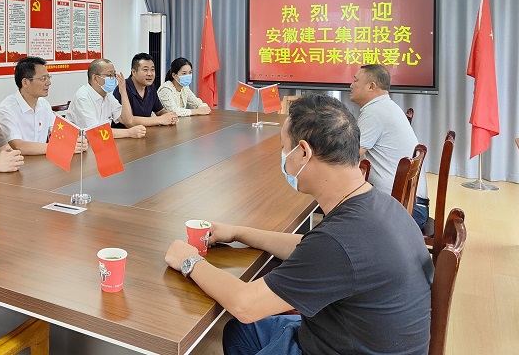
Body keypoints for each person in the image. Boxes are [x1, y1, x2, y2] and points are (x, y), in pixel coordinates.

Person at [165, 94, 433, 355]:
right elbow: (309, 248)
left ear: (304, 152)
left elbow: (245, 305)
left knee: (243, 321)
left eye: (284, 148)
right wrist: (237, 232)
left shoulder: (338, 242)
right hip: (348, 335)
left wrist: (190, 261)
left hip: (334, 345)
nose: (282, 156)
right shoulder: (377, 205)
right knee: (240, 333)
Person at [349, 64, 429, 230]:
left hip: (403, 210)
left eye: (355, 80)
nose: (351, 85)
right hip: (411, 204)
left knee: (339, 206)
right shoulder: (385, 106)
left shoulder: (374, 113)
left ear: (371, 86)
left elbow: (348, 156)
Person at [0, 57, 86, 155]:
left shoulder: (44, 105)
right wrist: (59, 147)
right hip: (14, 163)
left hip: (39, 161)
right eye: (43, 78)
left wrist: (76, 141)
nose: (48, 83)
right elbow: (18, 146)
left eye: (48, 77)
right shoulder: (7, 109)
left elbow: (60, 131)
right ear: (25, 82)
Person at [66, 58, 147, 139]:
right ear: (95, 78)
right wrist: (129, 133)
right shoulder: (82, 97)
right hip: (80, 144)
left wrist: (123, 93)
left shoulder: (108, 95)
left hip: (102, 142)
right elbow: (96, 131)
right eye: (109, 75)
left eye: (114, 75)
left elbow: (127, 120)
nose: (113, 78)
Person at [113, 53, 178, 127]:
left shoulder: (151, 87)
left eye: (152, 70)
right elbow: (129, 121)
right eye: (145, 70)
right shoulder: (122, 88)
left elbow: (159, 111)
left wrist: (169, 116)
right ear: (134, 72)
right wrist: (159, 119)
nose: (150, 74)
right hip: (124, 132)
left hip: (145, 131)